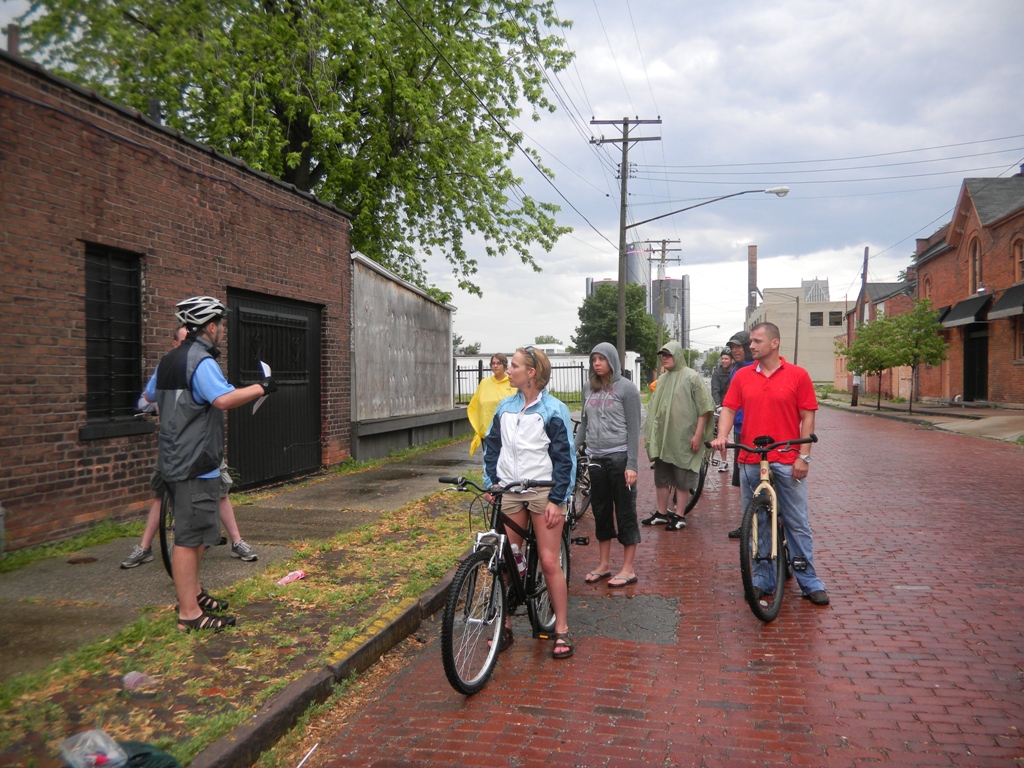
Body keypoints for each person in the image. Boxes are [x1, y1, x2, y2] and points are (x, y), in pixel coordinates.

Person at [141, 296, 277, 632]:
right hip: (195, 461)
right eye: (221, 326)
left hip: (174, 457)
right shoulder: (200, 362)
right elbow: (222, 399)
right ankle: (189, 614)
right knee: (190, 538)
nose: (222, 332)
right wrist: (262, 387)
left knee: (198, 533)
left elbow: (147, 400)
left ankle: (194, 593)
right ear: (210, 326)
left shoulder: (169, 360)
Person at [711, 322, 829, 606]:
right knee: (757, 521)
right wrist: (722, 436)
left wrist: (804, 455)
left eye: (756, 341)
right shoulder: (741, 376)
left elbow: (807, 417)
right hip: (751, 458)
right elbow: (728, 408)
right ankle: (763, 579)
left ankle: (809, 580)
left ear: (774, 343)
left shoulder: (798, 375)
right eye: (750, 341)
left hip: (788, 459)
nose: (751, 346)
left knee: (797, 522)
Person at [122, 327, 258, 568]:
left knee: (220, 491)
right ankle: (145, 548)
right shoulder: (180, 364)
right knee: (164, 496)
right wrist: (262, 387)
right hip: (186, 448)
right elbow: (146, 400)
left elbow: (215, 395)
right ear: (176, 344)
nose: (190, 346)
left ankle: (237, 541)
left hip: (191, 447)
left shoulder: (191, 365)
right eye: (185, 341)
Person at [482, 346, 576, 659]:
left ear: (531, 373)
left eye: (515, 366)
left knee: (549, 561)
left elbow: (565, 458)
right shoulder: (505, 407)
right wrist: (491, 483)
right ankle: (503, 626)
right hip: (510, 489)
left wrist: (557, 499)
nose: (508, 371)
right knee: (508, 561)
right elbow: (491, 447)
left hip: (542, 490)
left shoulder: (553, 409)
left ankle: (561, 628)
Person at [575, 343, 642, 588]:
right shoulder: (588, 388)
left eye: (602, 359)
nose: (597, 363)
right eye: (594, 359)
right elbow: (583, 422)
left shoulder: (627, 389)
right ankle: (603, 564)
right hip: (595, 459)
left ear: (612, 361)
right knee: (601, 512)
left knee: (625, 511)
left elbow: (634, 430)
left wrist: (632, 465)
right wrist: (574, 451)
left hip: (620, 458)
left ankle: (628, 568)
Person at [642, 340, 715, 531]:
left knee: (683, 477)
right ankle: (661, 513)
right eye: (662, 355)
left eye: (668, 354)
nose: (664, 358)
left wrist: (698, 434)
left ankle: (680, 514)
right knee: (662, 476)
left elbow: (704, 408)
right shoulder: (663, 379)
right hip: (664, 438)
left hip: (684, 437)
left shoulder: (692, 377)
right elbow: (654, 408)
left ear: (677, 355)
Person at [724, 331, 753, 509]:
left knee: (753, 476)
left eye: (738, 346)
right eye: (732, 347)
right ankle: (747, 521)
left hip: (753, 429)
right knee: (743, 477)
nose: (735, 350)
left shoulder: (755, 367)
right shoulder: (736, 369)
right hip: (739, 430)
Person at [466, 353, 514, 457]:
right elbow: (475, 405)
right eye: (493, 363)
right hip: (487, 430)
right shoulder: (484, 383)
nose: (495, 366)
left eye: (499, 363)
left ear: (505, 365)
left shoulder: (512, 383)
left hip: (506, 431)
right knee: (490, 460)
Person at [709, 350, 734, 474]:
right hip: (723, 407)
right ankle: (723, 461)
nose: (724, 361)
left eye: (726, 359)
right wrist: (718, 406)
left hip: (737, 406)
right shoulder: (717, 373)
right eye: (722, 359)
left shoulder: (737, 372)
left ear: (732, 360)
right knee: (720, 434)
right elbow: (715, 390)